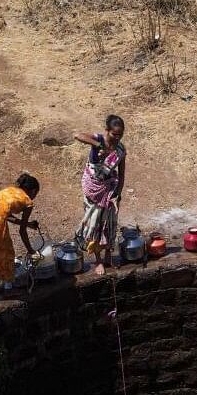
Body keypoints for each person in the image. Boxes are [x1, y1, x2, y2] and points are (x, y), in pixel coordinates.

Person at [73, 115, 126, 275]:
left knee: (109, 222)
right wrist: (98, 145)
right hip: (94, 189)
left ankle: (108, 254)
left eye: (120, 134)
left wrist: (118, 193)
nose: (117, 138)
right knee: (95, 223)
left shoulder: (120, 150)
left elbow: (122, 173)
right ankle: (97, 259)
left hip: (110, 189)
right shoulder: (99, 139)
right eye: (114, 134)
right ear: (107, 131)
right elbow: (77, 135)